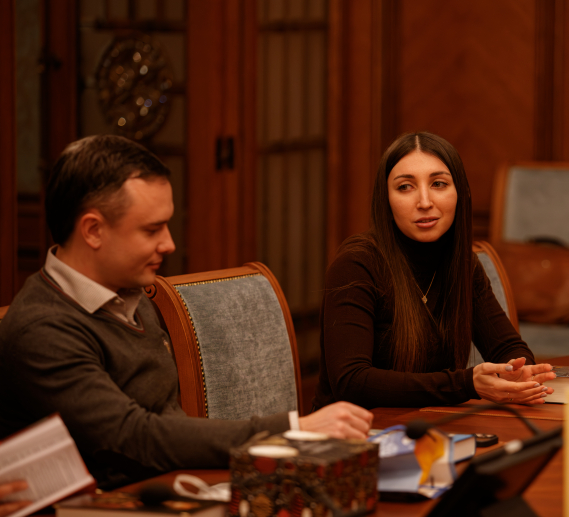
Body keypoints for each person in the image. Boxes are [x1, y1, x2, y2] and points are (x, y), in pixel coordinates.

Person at [0, 135, 372, 489]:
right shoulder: (42, 329)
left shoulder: (127, 291)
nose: (169, 244)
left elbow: (166, 420)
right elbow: (132, 437)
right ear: (93, 230)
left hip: (172, 486)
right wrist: (293, 429)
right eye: (152, 230)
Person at [313, 132, 557, 410]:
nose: (425, 202)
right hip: (353, 430)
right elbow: (351, 382)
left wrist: (516, 371)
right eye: (405, 187)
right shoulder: (356, 264)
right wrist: (466, 384)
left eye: (438, 184)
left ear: (460, 192)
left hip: (429, 424)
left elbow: (507, 347)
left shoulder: (462, 263)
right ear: (386, 200)